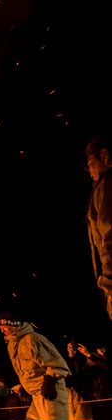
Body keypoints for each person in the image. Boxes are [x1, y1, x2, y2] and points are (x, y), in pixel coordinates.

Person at [0, 313, 86, 420]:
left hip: (50, 390)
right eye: (0, 327)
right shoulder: (12, 345)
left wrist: (50, 381)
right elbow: (26, 370)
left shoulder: (33, 339)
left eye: (5, 326)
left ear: (15, 325)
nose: (2, 330)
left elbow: (58, 364)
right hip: (37, 393)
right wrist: (25, 387)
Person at [86, 135, 112, 321]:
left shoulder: (107, 185)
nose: (89, 171)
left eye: (90, 163)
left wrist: (109, 278)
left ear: (104, 156)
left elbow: (109, 229)